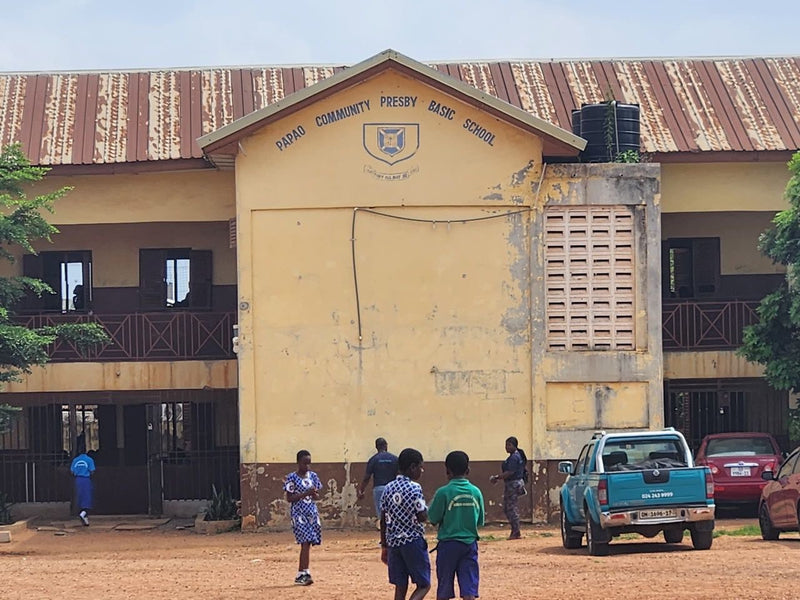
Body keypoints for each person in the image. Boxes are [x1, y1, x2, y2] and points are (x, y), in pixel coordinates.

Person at [428, 451, 485, 600]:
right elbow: (479, 521)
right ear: (468, 470)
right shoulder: (476, 492)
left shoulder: (443, 492)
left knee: (444, 587)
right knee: (469, 589)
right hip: (469, 545)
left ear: (447, 471)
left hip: (448, 545)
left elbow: (433, 518)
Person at [380, 448, 430, 600]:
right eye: (420, 467)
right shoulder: (415, 488)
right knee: (424, 584)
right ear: (412, 467)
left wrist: (384, 545)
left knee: (400, 586)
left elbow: (383, 519)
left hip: (394, 543)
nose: (421, 471)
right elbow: (422, 516)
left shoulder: (388, 488)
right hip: (412, 541)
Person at [284, 449, 323, 586]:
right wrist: (305, 493)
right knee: (305, 542)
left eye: (309, 464)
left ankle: (302, 573)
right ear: (298, 462)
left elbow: (317, 496)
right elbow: (289, 498)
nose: (307, 467)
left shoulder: (313, 476)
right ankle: (304, 572)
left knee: (309, 543)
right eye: (304, 463)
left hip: (311, 513)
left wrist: (313, 494)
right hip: (299, 514)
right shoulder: (292, 478)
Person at [489, 436, 527, 540]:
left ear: (514, 446)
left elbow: (510, 472)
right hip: (513, 484)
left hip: (513, 484)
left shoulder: (514, 458)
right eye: (506, 445)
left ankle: (516, 531)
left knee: (510, 507)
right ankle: (515, 530)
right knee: (509, 507)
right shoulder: (514, 456)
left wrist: (497, 477)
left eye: (509, 445)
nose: (506, 447)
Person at [359, 437, 399, 518]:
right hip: (393, 488)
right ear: (386, 446)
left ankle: (382, 527)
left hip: (379, 489)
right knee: (393, 510)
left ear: (376, 447)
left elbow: (367, 477)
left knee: (381, 513)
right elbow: (400, 474)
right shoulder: (395, 459)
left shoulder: (373, 459)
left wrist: (361, 490)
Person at [70, 440, 95, 526]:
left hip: (77, 480)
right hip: (86, 479)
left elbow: (72, 472)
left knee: (79, 498)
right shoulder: (89, 460)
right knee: (87, 498)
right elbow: (92, 471)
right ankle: (84, 513)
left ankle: (85, 519)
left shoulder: (75, 460)